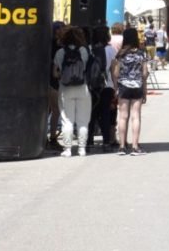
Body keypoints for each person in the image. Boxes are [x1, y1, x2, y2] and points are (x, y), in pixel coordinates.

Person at [53, 26, 92, 157]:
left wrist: (63, 75)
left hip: (65, 89)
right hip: (82, 88)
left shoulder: (60, 53)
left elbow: (55, 73)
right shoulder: (84, 51)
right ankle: (82, 148)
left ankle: (67, 149)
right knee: (83, 120)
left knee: (67, 120)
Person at [112, 26, 149, 155]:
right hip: (137, 86)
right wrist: (145, 89)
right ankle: (135, 146)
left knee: (123, 117)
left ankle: (122, 146)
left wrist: (116, 87)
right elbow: (144, 73)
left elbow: (116, 73)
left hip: (123, 86)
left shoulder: (120, 54)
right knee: (136, 116)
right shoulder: (142, 53)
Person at [88, 23, 120, 152]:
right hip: (107, 85)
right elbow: (114, 71)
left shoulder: (89, 49)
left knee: (91, 113)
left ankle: (89, 141)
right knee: (105, 114)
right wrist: (115, 87)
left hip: (91, 86)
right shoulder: (111, 50)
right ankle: (106, 141)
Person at [45, 21, 67, 151]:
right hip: (53, 80)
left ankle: (46, 137)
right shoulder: (58, 45)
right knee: (55, 110)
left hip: (47, 78)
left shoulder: (48, 43)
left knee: (49, 110)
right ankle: (52, 138)